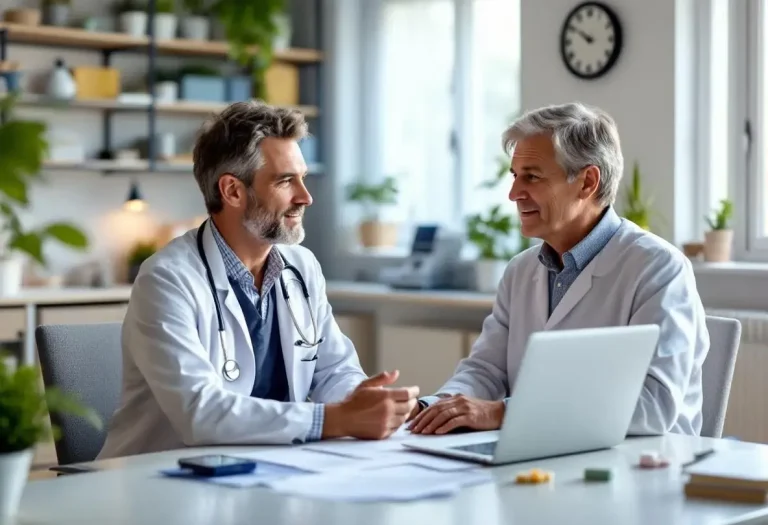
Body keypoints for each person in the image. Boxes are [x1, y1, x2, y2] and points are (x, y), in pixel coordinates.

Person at [99, 101, 419, 459]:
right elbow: (200, 413)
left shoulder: (302, 267)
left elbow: (333, 370)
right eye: (285, 181)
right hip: (160, 475)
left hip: (267, 466)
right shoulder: (167, 279)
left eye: (303, 178)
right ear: (233, 191)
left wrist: (360, 400)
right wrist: (336, 419)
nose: (306, 197)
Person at [407, 102, 709, 437]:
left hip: (641, 459)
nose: (513, 194)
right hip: (542, 451)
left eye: (532, 177)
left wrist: (504, 412)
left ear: (587, 182)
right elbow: (485, 371)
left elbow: (654, 406)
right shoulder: (520, 271)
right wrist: (431, 408)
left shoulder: (658, 268)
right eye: (515, 176)